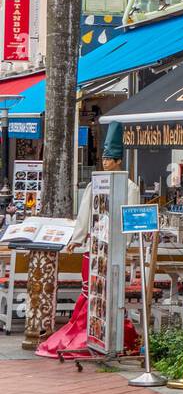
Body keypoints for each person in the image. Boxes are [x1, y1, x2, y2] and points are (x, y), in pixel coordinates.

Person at [36, 123, 140, 360]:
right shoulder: (95, 184)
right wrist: (77, 238)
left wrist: (122, 246)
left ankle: (114, 336)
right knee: (89, 289)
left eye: (110, 159)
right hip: (94, 245)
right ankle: (85, 331)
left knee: (112, 291)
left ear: (118, 161)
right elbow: (84, 215)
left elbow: (128, 220)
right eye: (104, 158)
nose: (106, 162)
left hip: (114, 246)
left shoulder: (130, 188)